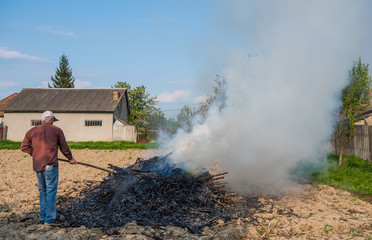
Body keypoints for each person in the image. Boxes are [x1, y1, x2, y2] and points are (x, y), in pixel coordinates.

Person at [21, 111, 77, 225]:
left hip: (38, 165)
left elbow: (24, 147)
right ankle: (50, 219)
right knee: (51, 191)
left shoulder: (32, 131)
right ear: (50, 119)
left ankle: (43, 217)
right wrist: (70, 158)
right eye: (53, 120)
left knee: (43, 191)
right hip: (50, 165)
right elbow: (64, 147)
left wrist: (35, 153)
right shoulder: (57, 130)